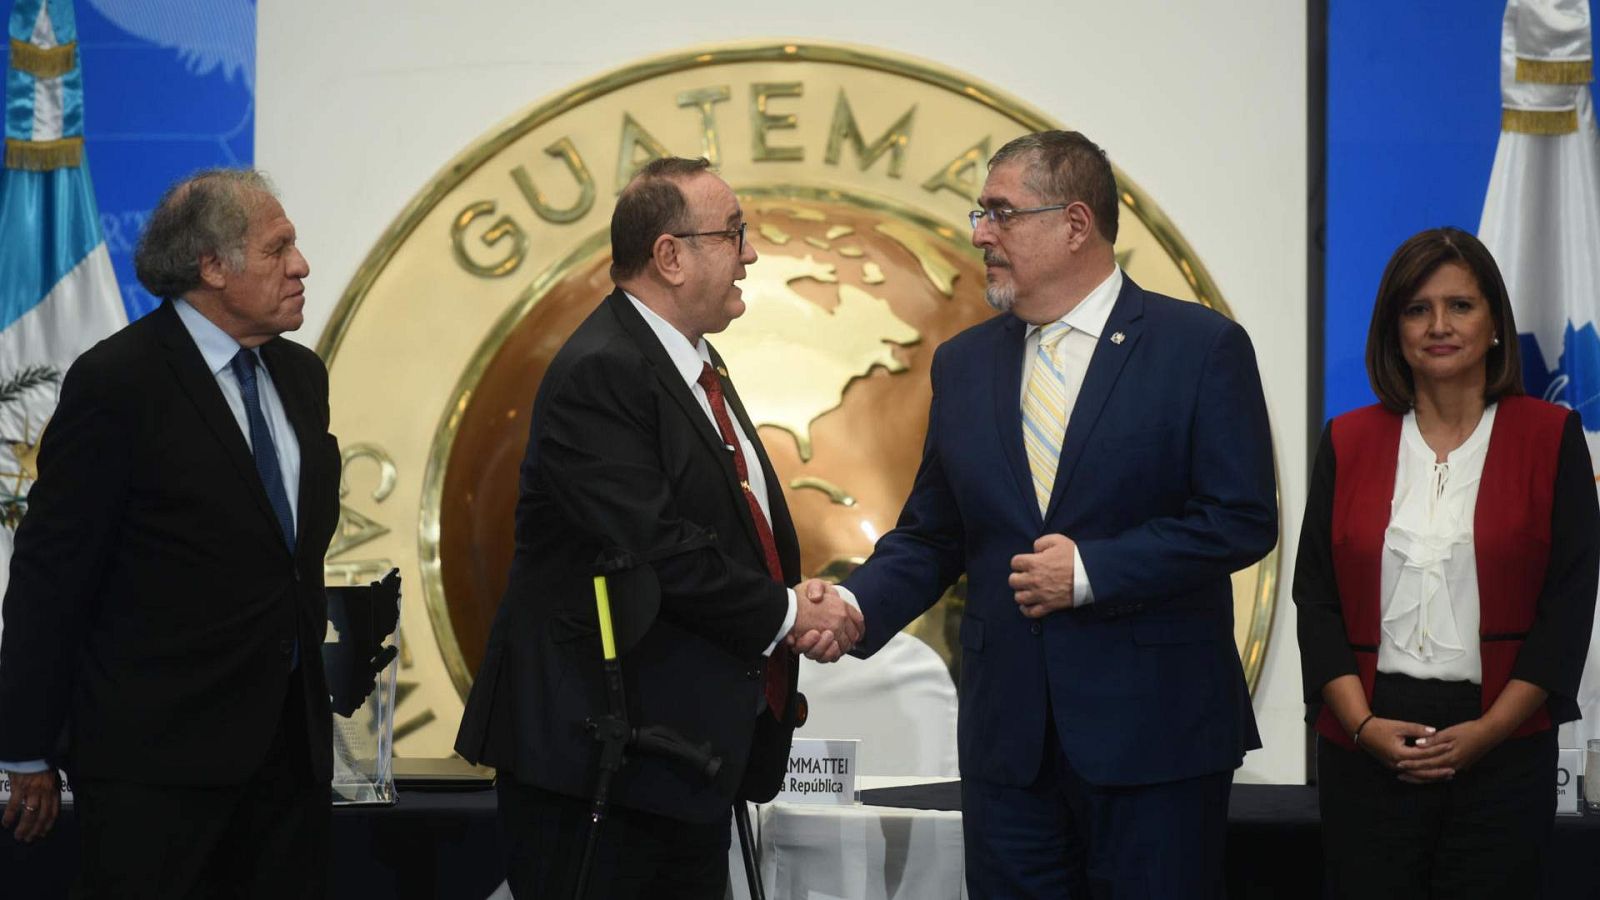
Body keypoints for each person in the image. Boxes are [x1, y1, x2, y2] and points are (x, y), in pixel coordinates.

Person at [809, 130, 1277, 897]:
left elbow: (1240, 517)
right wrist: (857, 607)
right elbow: (935, 533)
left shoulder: (1199, 348)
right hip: (1009, 749)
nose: (980, 233)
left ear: (1075, 224)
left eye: (1001, 213)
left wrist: (1092, 571)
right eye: (979, 214)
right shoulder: (965, 363)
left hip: (1154, 740)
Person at [454, 156, 863, 900]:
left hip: (678, 762)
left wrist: (787, 597)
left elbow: (721, 530)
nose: (751, 254)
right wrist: (787, 613)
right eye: (734, 233)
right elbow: (656, 548)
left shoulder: (688, 363)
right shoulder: (601, 371)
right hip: (601, 769)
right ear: (670, 256)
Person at [0, 168, 340, 897]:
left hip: (288, 760)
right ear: (212, 267)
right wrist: (26, 745)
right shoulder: (118, 383)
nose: (301, 265)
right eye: (279, 248)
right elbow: (51, 574)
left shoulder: (302, 377)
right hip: (157, 770)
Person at [1294, 227, 1598, 898]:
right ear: (1393, 327)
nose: (1439, 325)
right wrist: (1363, 726)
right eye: (1417, 308)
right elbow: (1315, 598)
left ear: (1494, 323)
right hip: (1368, 741)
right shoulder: (1348, 439)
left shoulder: (1550, 437)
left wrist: (1488, 733)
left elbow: (1568, 606)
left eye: (1460, 306)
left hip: (1504, 740)